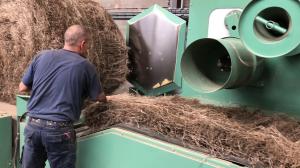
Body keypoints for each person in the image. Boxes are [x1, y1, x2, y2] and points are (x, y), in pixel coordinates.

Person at [19, 25, 107, 168]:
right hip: (59, 131)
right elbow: (99, 97)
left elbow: (22, 88)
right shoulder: (85, 66)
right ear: (82, 44)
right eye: (87, 45)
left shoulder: (42, 56)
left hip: (33, 126)